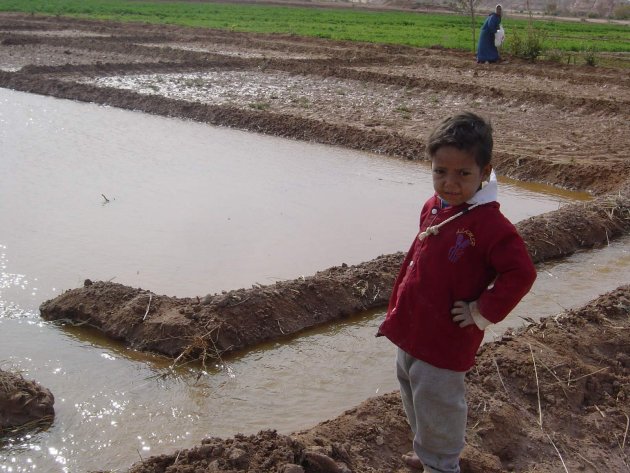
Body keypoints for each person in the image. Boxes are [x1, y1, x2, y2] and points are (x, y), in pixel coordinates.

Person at [377, 112, 536, 473]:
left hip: (446, 338)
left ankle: (442, 464)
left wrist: (482, 311)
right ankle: (425, 452)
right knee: (412, 391)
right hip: (413, 326)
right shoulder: (434, 206)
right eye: (440, 172)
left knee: (439, 402)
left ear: (484, 172)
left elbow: (521, 273)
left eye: (463, 174)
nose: (450, 183)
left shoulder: (491, 224)